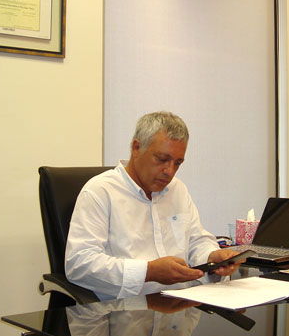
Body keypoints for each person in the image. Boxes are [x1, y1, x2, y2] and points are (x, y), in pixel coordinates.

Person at [65, 111, 240, 300]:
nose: (169, 171)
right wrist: (148, 272)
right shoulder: (100, 191)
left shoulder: (178, 190)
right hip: (127, 309)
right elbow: (79, 264)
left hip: (181, 304)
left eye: (178, 163)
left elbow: (196, 241)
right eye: (162, 159)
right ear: (136, 147)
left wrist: (211, 257)